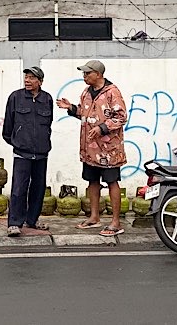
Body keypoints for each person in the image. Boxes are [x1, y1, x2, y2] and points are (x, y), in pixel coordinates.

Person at [56, 60, 127, 238]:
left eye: (88, 73)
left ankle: (115, 222)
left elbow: (121, 117)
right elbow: (85, 113)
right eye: (84, 74)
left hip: (109, 149)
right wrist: (71, 108)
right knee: (92, 181)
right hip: (90, 149)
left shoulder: (112, 92)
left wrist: (102, 128)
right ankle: (94, 217)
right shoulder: (86, 93)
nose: (84, 76)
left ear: (98, 74)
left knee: (112, 182)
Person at [2, 66, 52, 237]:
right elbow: (8, 125)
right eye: (26, 77)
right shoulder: (15, 97)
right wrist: (17, 141)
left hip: (41, 152)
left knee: (38, 188)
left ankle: (32, 219)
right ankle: (14, 223)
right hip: (21, 151)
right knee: (19, 188)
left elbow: (49, 124)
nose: (27, 81)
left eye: (32, 78)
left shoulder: (47, 99)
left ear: (40, 81)